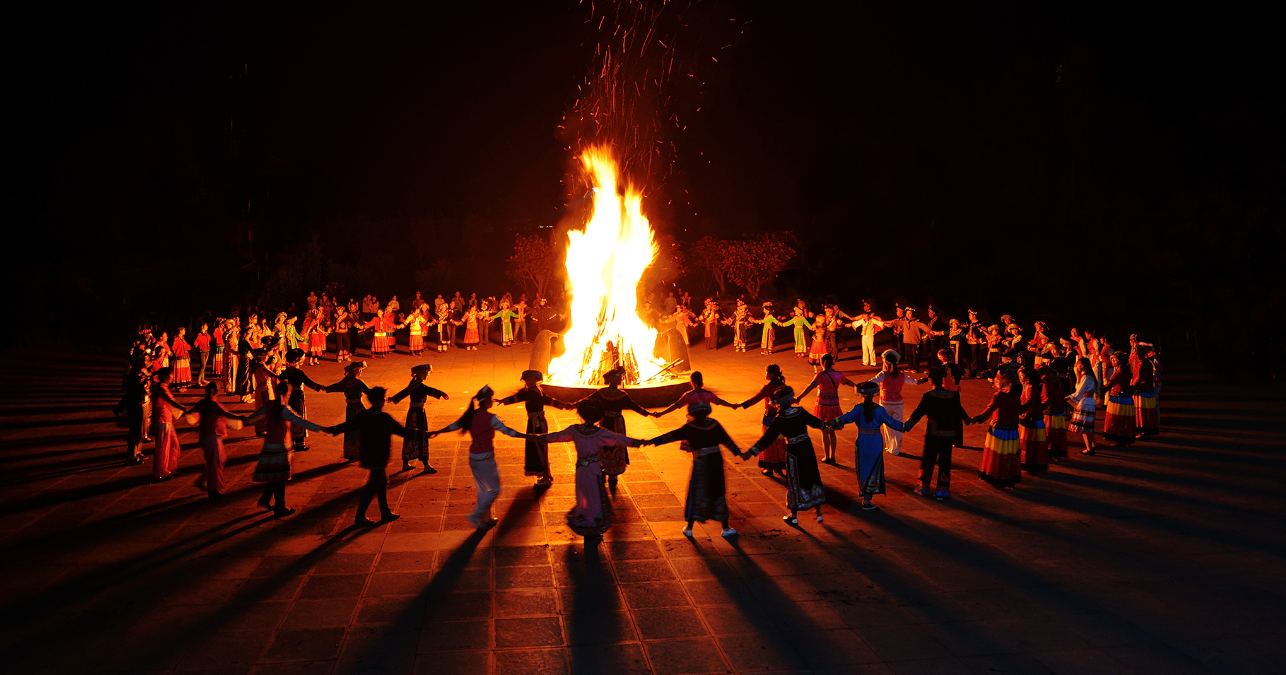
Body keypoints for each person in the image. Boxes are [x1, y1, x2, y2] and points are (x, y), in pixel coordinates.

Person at [533, 401, 643, 539]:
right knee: (595, 495)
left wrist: (536, 438)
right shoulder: (600, 433)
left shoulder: (575, 430)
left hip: (581, 469)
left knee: (583, 494)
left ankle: (584, 518)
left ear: (581, 414)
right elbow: (618, 439)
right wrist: (637, 442)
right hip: (595, 469)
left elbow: (556, 436)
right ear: (598, 417)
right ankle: (593, 524)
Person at [430, 385, 532, 529]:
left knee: (482, 489)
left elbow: (454, 426)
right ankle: (476, 515)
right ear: (486, 400)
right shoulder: (490, 418)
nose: (492, 400)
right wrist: (528, 436)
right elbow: (508, 431)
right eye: (491, 398)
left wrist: (437, 431)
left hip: (473, 457)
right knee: (495, 489)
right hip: (486, 458)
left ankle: (485, 520)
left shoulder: (470, 415)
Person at [645, 402, 743, 537]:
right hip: (716, 462)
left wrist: (652, 441)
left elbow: (672, 435)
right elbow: (728, 441)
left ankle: (690, 528)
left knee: (697, 490)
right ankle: (725, 528)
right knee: (717, 490)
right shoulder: (714, 424)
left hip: (701, 463)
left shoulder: (690, 427)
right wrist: (739, 452)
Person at [742, 386, 827, 525]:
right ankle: (818, 512)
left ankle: (794, 516)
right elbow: (816, 422)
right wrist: (829, 425)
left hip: (794, 451)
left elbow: (768, 438)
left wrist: (751, 452)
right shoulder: (800, 411)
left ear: (777, 403)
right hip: (807, 447)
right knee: (812, 474)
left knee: (794, 479)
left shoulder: (780, 419)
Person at [244, 382, 327, 517]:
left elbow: (252, 418)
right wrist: (321, 428)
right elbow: (301, 421)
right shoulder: (284, 410)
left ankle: (266, 498)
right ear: (287, 394)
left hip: (269, 447)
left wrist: (239, 421)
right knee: (280, 479)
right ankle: (279, 507)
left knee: (274, 476)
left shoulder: (269, 406)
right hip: (281, 448)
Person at [330, 387, 408, 525]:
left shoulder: (364, 416)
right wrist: (421, 435)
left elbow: (349, 425)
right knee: (373, 486)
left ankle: (385, 512)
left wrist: (334, 429)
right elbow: (402, 431)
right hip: (379, 457)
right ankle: (360, 516)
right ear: (380, 401)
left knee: (382, 483)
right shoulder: (384, 418)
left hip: (369, 455)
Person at [827, 382, 902, 510]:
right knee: (874, 467)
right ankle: (867, 499)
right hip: (875, 440)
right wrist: (906, 426)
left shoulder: (858, 409)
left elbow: (845, 418)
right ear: (874, 394)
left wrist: (834, 422)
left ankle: (865, 495)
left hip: (862, 440)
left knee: (863, 468)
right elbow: (892, 422)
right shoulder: (879, 410)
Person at [901, 369, 971, 500]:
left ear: (931, 381)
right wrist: (968, 420)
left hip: (933, 433)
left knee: (929, 460)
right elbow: (959, 410)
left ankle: (924, 487)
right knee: (945, 461)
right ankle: (942, 490)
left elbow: (919, 411)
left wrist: (908, 425)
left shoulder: (929, 395)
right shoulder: (952, 395)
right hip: (948, 433)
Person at [577, 368, 651, 491]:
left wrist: (571, 405)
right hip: (617, 423)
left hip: (605, 421)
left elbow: (586, 400)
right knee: (616, 444)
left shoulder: (601, 393)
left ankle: (602, 469)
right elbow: (634, 406)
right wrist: (648, 413)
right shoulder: (622, 395)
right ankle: (613, 475)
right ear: (616, 381)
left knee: (603, 445)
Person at [500, 370, 573, 488]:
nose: (529, 382)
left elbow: (520, 397)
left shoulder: (532, 393)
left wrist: (504, 401)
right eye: (527, 380)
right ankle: (545, 475)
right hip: (536, 421)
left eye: (532, 379)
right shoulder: (536, 391)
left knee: (539, 447)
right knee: (538, 447)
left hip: (537, 423)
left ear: (536, 381)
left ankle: (545, 476)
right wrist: (563, 406)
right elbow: (550, 401)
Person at [186, 382, 248, 498]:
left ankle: (203, 480)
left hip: (204, 437)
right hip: (213, 437)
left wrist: (200, 421)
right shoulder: (214, 405)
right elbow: (227, 414)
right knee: (216, 462)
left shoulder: (203, 403)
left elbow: (190, 412)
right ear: (217, 392)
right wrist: (241, 417)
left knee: (214, 461)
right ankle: (212, 489)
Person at [796, 353, 859, 463]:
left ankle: (826, 456)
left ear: (821, 362)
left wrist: (800, 397)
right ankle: (832, 455)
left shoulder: (820, 375)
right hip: (834, 405)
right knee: (832, 431)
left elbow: (810, 386)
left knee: (824, 430)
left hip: (822, 405)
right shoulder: (838, 375)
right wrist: (858, 387)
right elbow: (848, 382)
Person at [390, 364, 449, 474]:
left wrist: (394, 398)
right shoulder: (418, 385)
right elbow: (428, 390)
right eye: (424, 372)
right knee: (421, 436)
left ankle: (406, 462)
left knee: (410, 436)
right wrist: (440, 393)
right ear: (419, 373)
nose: (426, 374)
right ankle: (425, 464)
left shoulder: (414, 384)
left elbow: (404, 392)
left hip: (413, 413)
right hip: (418, 414)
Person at [971, 370, 1024, 488]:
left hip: (999, 428)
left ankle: (997, 477)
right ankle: (1010, 478)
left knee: (997, 454)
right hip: (1012, 429)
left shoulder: (998, 395)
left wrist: (977, 419)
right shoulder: (1016, 395)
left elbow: (989, 409)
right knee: (1010, 454)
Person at [867, 350, 924, 456]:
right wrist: (922, 380)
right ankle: (896, 449)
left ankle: (890, 446)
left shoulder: (883, 375)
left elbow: (872, 382)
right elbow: (915, 382)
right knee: (897, 426)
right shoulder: (901, 375)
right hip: (898, 403)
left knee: (887, 426)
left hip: (885, 402)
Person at [739, 364, 789, 478]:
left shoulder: (768, 388)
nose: (765, 374)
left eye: (766, 372)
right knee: (780, 442)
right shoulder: (783, 385)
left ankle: (769, 467)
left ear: (772, 374)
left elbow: (756, 398)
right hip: (780, 418)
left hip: (769, 418)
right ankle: (779, 465)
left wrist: (742, 405)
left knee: (768, 442)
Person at [279, 348, 327, 453]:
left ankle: (290, 441)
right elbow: (308, 382)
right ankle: (300, 442)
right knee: (299, 416)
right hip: (297, 396)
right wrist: (320, 387)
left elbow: (279, 380)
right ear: (298, 360)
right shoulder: (298, 372)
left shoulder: (286, 372)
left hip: (289, 396)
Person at [326, 361, 373, 462]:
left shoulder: (345, 382)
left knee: (350, 428)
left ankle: (351, 451)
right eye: (360, 370)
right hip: (358, 407)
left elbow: (335, 387)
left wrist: (325, 388)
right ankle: (361, 451)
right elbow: (369, 392)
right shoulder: (358, 383)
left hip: (350, 408)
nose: (361, 372)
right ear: (355, 370)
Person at [149, 367, 188, 482]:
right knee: (163, 448)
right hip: (162, 420)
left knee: (172, 444)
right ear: (166, 377)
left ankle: (166, 469)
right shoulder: (161, 388)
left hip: (166, 420)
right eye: (171, 375)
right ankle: (160, 473)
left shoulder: (161, 387)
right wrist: (182, 408)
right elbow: (170, 400)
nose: (172, 377)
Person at [1017, 368, 1050, 473]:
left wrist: (1020, 410)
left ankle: (1029, 462)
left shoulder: (1031, 387)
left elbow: (1030, 401)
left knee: (1029, 442)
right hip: (1029, 416)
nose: (1020, 379)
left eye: (1022, 376)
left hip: (1031, 417)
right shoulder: (1026, 386)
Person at [1102, 352, 1136, 445]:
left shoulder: (1121, 371)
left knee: (1118, 419)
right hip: (1124, 397)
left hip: (1120, 398)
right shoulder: (1123, 369)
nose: (1112, 361)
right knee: (1124, 419)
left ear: (1120, 360)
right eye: (1111, 359)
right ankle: (1124, 438)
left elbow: (1113, 381)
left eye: (1114, 359)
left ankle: (1119, 439)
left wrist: (1104, 389)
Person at [1067, 357, 1098, 455]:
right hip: (1088, 401)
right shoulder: (1088, 376)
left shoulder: (1086, 378)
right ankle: (1093, 444)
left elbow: (1079, 392)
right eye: (1078, 365)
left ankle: (1089, 448)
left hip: (1085, 402)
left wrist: (1069, 397)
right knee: (1086, 426)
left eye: (1081, 365)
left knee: (1085, 427)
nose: (1079, 367)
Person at [1041, 365, 1069, 461]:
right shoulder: (1058, 383)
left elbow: (1047, 399)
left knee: (1049, 434)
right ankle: (1057, 454)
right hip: (1058, 412)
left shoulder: (1046, 385)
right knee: (1058, 434)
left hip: (1050, 413)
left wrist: (1040, 407)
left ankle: (1049, 455)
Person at [1132, 344, 1160, 439]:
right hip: (1149, 390)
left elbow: (1139, 378)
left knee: (1141, 412)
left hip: (1141, 390)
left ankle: (1142, 432)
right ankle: (1148, 431)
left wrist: (1133, 387)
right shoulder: (1149, 363)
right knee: (1148, 411)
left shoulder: (1141, 364)